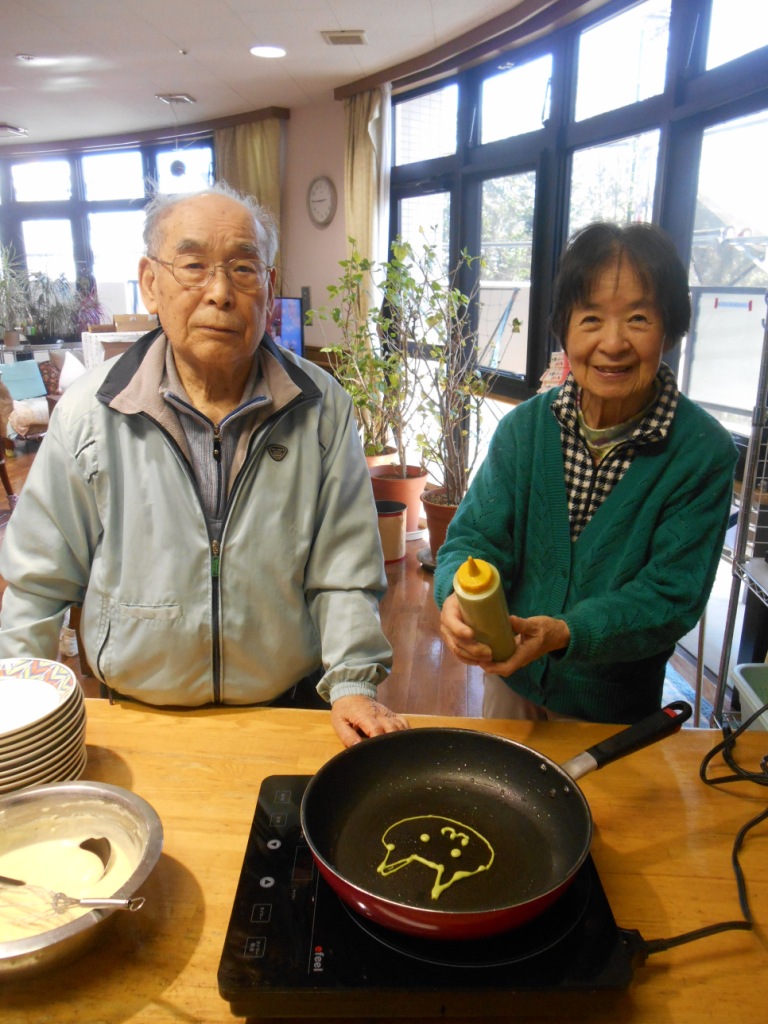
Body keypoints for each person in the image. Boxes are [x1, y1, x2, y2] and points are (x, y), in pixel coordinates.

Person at [0, 182, 409, 747]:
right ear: (151, 282)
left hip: (286, 707)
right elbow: (37, 585)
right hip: (136, 713)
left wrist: (353, 683)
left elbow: (345, 570)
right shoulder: (90, 413)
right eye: (193, 265)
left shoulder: (320, 407)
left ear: (268, 288)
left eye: (243, 269)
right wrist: (20, 714)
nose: (220, 292)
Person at [435, 221, 737, 723]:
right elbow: (473, 540)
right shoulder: (524, 430)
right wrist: (454, 595)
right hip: (510, 683)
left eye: (638, 318)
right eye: (591, 318)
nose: (613, 343)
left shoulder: (701, 453)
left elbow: (669, 597)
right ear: (566, 327)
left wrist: (566, 633)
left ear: (669, 328)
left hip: (612, 707)